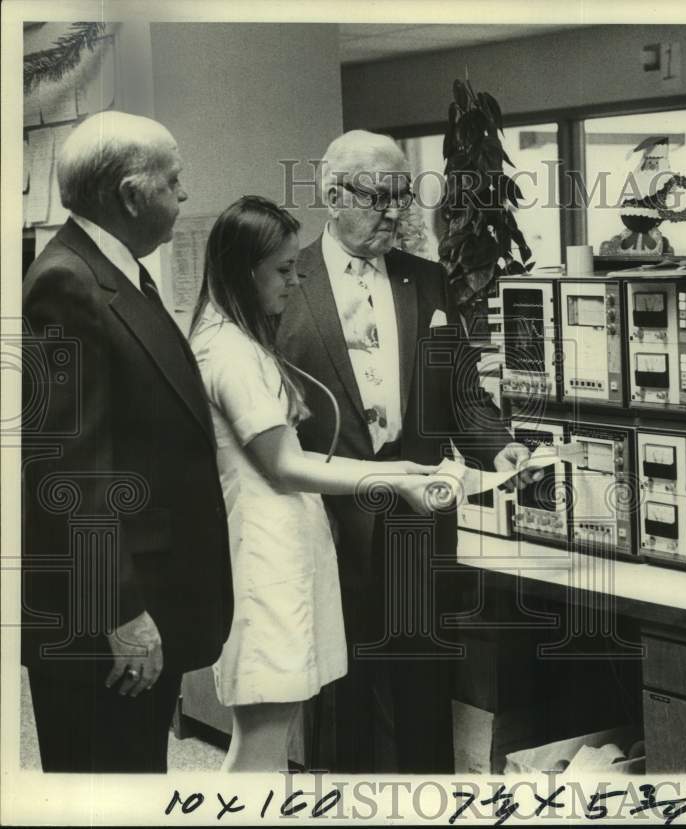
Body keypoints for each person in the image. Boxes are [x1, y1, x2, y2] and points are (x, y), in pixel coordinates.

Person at [276, 130, 534, 773]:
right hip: (329, 526)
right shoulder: (285, 284)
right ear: (332, 195)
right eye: (379, 197)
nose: (396, 213)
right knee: (341, 704)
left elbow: (463, 389)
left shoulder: (428, 281)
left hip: (418, 523)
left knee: (422, 696)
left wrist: (498, 448)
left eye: (404, 196)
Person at [188, 195, 449, 772]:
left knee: (268, 742)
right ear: (243, 269)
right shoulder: (229, 350)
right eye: (282, 270)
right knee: (260, 746)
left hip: (276, 553)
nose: (292, 280)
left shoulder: (232, 339)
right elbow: (285, 463)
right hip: (266, 560)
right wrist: (389, 475)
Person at [20, 111, 233, 773]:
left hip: (146, 598)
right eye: (174, 180)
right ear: (133, 194)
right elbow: (69, 469)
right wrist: (121, 613)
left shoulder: (111, 273)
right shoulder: (68, 284)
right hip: (106, 624)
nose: (186, 194)